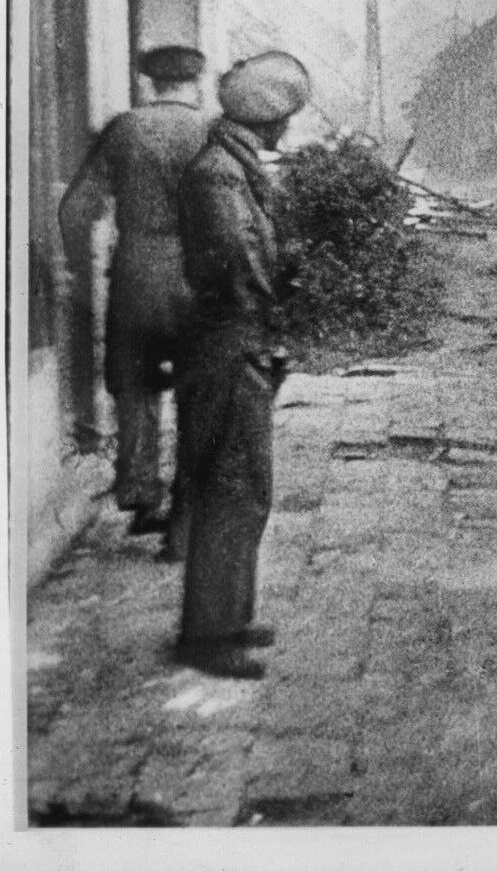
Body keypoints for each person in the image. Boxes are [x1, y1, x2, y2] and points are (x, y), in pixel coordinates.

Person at [173, 50, 310, 680]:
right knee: (233, 486)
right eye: (284, 116)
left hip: (233, 336)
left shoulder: (232, 164)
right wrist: (272, 319)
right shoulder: (220, 174)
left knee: (242, 484)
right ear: (268, 118)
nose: (287, 129)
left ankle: (227, 616)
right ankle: (209, 636)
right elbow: (237, 259)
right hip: (231, 339)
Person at [58, 45, 210, 537]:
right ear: (195, 81)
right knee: (199, 391)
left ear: (150, 83)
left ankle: (143, 499)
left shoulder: (123, 129)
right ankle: (188, 511)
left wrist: (73, 270)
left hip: (136, 275)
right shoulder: (211, 132)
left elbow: (78, 208)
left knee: (135, 388)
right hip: (195, 276)